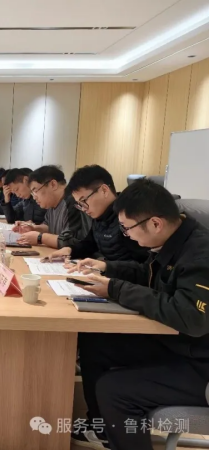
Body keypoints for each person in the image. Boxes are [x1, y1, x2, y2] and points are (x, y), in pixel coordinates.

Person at [68, 179, 209, 450]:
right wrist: (108, 269)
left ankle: (116, 427)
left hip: (200, 361)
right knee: (95, 342)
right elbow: (150, 275)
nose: (126, 235)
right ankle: (103, 428)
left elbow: (191, 316)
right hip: (179, 344)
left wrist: (116, 289)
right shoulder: (175, 239)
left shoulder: (201, 254)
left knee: (114, 389)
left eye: (127, 228)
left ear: (155, 223)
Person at [46, 165, 148, 264]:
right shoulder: (100, 215)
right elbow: (89, 244)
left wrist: (106, 267)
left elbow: (142, 265)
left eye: (84, 201)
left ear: (104, 190)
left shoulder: (129, 218)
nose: (83, 209)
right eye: (79, 204)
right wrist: (69, 250)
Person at [15, 165, 91, 248]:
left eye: (35, 191)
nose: (34, 197)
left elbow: (71, 241)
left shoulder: (73, 202)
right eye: (32, 193)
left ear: (53, 184)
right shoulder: (52, 203)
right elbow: (48, 226)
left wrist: (40, 238)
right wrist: (34, 228)